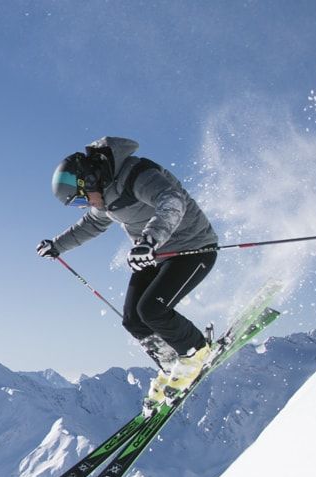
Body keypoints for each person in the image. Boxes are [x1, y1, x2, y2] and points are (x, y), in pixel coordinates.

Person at [37, 136, 220, 393]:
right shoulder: (103, 191)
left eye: (81, 200)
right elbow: (92, 223)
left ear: (89, 180)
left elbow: (171, 200)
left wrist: (149, 240)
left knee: (152, 310)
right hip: (154, 254)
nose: (86, 205)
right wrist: (57, 245)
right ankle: (171, 365)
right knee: (133, 320)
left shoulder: (137, 175)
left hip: (192, 248)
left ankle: (196, 351)